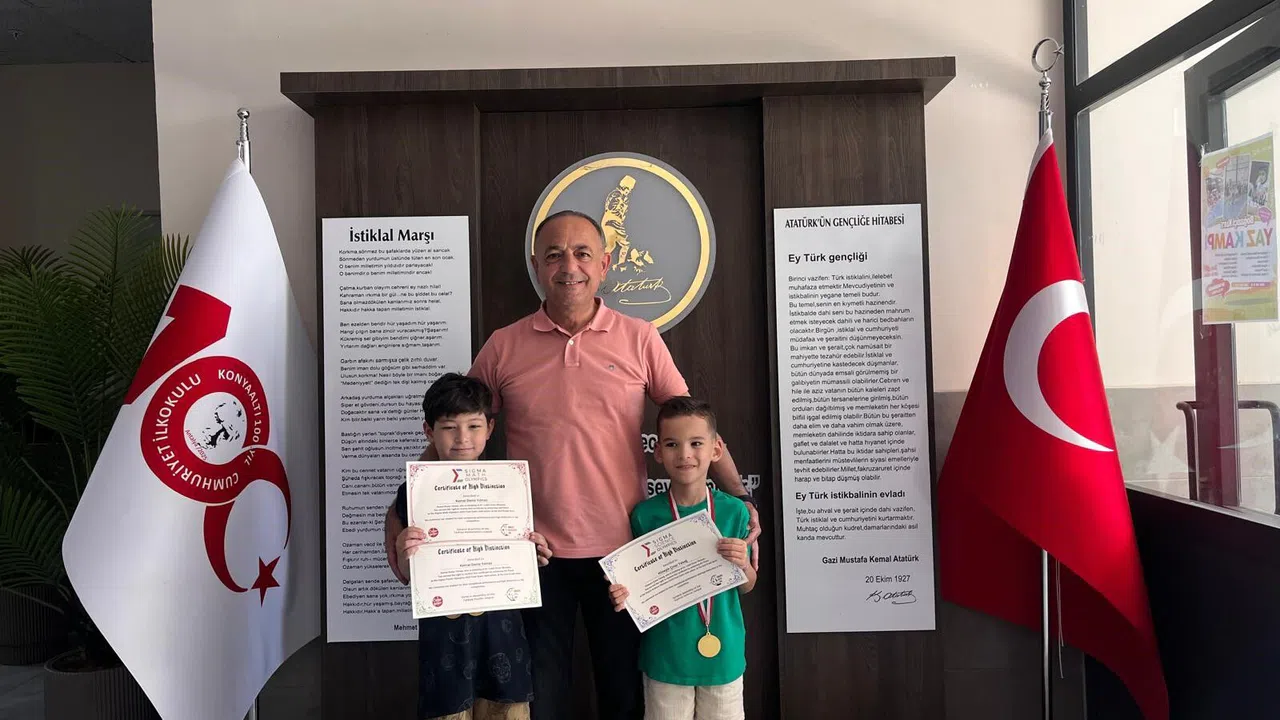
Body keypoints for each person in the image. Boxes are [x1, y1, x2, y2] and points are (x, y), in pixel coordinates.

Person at [386, 209, 762, 720]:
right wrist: (406, 504)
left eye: (583, 253)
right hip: (534, 553)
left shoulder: (640, 338)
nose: (570, 266)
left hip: (627, 551)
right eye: (555, 255)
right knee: (543, 698)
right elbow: (459, 426)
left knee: (624, 695)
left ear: (604, 264)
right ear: (536, 265)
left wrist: (738, 494)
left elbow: (695, 427)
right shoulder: (504, 344)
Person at [391, 373, 551, 720]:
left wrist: (534, 555)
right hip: (444, 640)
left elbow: (524, 559)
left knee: (508, 710)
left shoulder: (510, 486)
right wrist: (405, 553)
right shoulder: (413, 492)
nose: (463, 438)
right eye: (449, 427)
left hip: (503, 636)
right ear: (429, 431)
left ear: (490, 428)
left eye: (474, 426)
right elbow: (408, 574)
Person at [608, 397, 755, 720]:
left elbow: (748, 586)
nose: (685, 454)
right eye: (672, 444)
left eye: (696, 443)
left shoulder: (734, 511)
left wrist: (743, 564)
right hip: (666, 656)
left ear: (716, 449)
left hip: (724, 656)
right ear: (658, 451)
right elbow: (636, 584)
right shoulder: (645, 515)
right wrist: (623, 594)